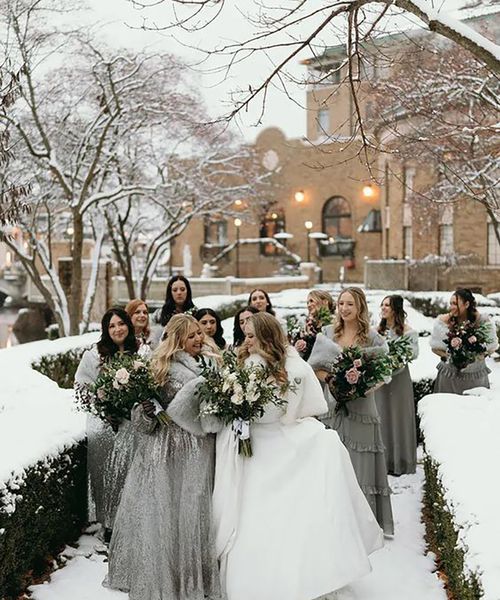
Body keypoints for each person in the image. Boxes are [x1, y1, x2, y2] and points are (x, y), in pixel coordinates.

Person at [211, 313, 383, 600]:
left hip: (278, 440)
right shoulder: (242, 363)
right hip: (253, 449)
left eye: (252, 335)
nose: (247, 340)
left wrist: (263, 412)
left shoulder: (293, 367)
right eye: (246, 334)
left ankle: (307, 572)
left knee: (293, 503)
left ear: (267, 336)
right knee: (252, 511)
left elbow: (307, 406)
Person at [106, 314, 222, 600]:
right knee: (168, 513)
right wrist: (146, 411)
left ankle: (194, 581)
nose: (199, 338)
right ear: (179, 338)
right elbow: (141, 416)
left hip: (199, 448)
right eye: (193, 334)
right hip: (168, 449)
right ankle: (167, 581)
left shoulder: (208, 362)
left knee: (194, 512)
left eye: (200, 334)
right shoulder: (161, 366)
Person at [308, 287, 394, 535]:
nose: (344, 309)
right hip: (332, 405)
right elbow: (315, 367)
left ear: (360, 308)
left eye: (350, 305)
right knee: (333, 459)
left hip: (362, 406)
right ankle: (333, 518)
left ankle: (363, 523)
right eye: (341, 304)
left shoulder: (374, 339)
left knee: (360, 461)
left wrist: (363, 388)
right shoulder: (327, 334)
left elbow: (383, 373)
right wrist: (331, 380)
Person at [74, 308, 139, 539]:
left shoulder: (142, 352)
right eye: (112, 326)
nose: (117, 329)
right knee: (111, 474)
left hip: (135, 423)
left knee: (133, 473)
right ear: (105, 330)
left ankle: (134, 519)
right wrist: (103, 409)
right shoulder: (94, 356)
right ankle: (109, 523)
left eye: (121, 324)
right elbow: (81, 388)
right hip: (107, 425)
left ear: (128, 326)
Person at [375, 295, 418, 476]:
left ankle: (401, 462)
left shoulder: (408, 332)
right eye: (382, 305)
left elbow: (412, 355)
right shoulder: (376, 332)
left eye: (388, 305)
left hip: (399, 381)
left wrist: (393, 365)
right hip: (379, 382)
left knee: (399, 417)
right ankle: (383, 462)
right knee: (382, 416)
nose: (384, 308)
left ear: (396, 309)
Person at [431, 288, 498, 394]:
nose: (451, 307)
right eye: (450, 303)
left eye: (455, 303)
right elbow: (435, 347)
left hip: (475, 377)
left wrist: (474, 355)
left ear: (466, 304)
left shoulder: (482, 322)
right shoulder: (444, 322)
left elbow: (492, 345)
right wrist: (452, 355)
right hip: (450, 377)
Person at [294, 290, 335, 361]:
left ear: (325, 302)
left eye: (311, 301)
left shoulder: (334, 323)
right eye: (307, 303)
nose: (309, 305)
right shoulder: (306, 324)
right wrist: (300, 347)